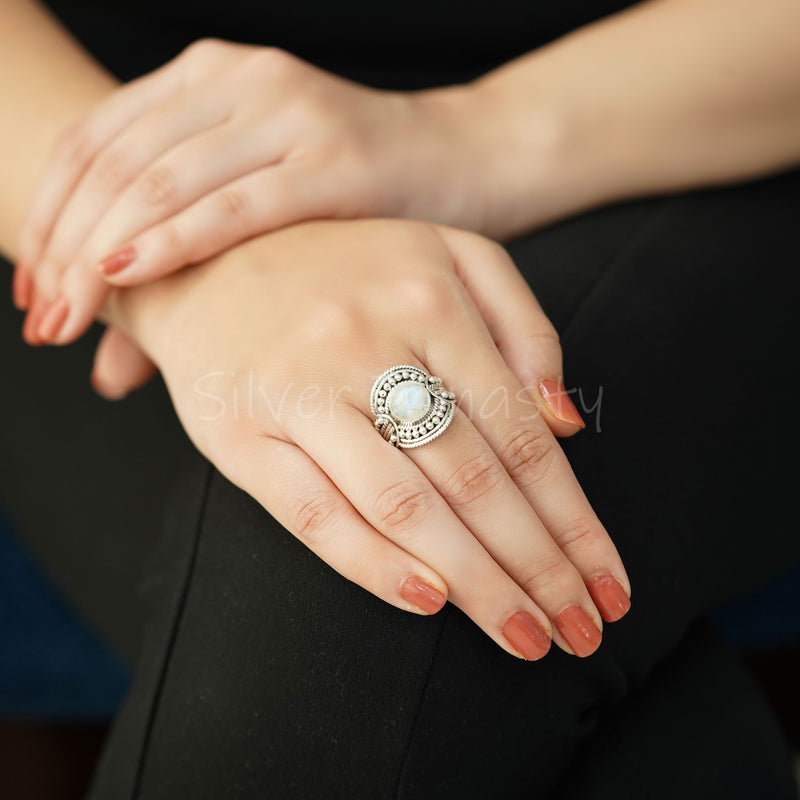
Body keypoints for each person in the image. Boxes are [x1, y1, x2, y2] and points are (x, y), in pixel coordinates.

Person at [1, 0, 799, 796]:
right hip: (83, 130)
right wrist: (190, 255)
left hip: (691, 122)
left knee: (406, 582)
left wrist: (472, 133)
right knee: (365, 580)